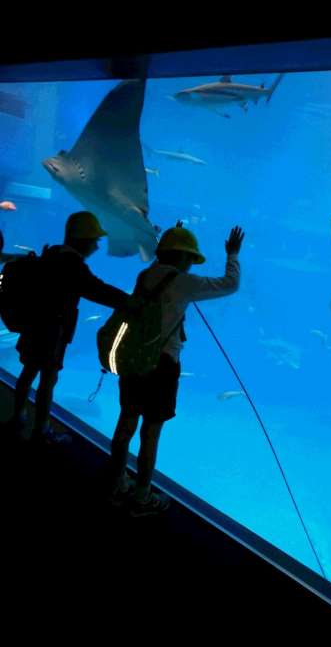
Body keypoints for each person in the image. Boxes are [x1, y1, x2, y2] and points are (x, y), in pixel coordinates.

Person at [109, 222, 245, 516]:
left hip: (134, 361)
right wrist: (232, 255)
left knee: (126, 424)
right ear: (183, 256)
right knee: (150, 433)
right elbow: (230, 284)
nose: (190, 264)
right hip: (162, 367)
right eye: (190, 258)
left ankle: (117, 483)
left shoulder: (145, 275)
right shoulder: (185, 282)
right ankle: (142, 496)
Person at [10, 211, 138, 445]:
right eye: (94, 241)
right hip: (52, 332)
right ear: (82, 240)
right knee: (48, 380)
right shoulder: (72, 265)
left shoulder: (52, 253)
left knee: (27, 373)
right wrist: (129, 301)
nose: (97, 247)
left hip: (33, 325)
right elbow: (97, 290)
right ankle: (41, 430)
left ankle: (17, 418)